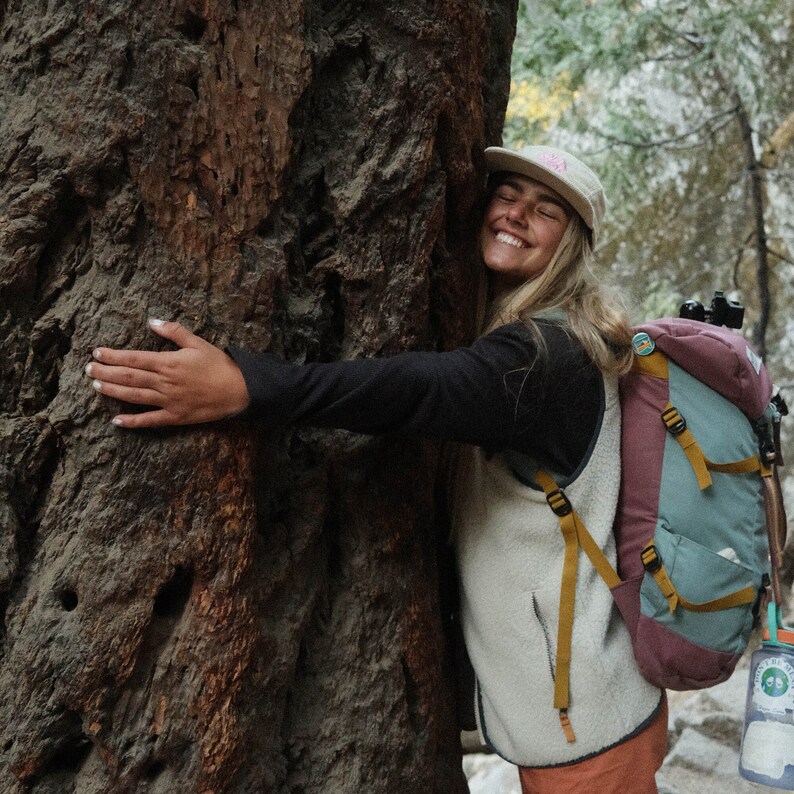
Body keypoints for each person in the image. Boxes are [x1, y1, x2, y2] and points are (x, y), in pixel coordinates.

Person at [85, 145, 668, 792]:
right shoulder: (554, 335)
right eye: (508, 196)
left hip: (587, 717)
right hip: (577, 701)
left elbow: (419, 389)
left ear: (573, 244)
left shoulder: (547, 353)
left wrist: (250, 386)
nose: (518, 214)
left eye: (547, 210)